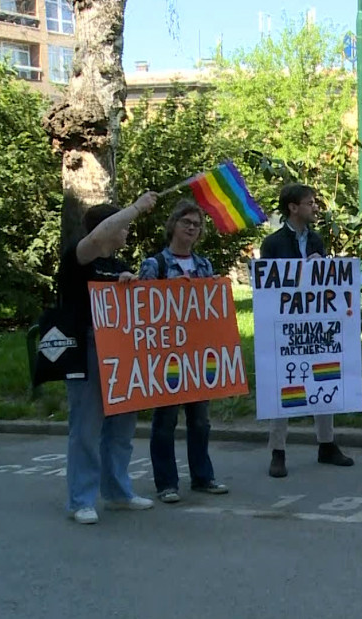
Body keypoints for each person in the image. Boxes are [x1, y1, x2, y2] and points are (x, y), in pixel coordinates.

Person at [59, 192, 160, 524]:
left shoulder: (116, 265)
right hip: (86, 347)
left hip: (121, 349)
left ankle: (117, 492)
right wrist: (136, 208)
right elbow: (98, 238)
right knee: (86, 427)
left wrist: (129, 284)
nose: (126, 232)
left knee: (122, 426)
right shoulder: (78, 256)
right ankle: (81, 501)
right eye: (123, 226)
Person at [137, 200, 229, 503]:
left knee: (200, 420)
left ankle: (203, 476)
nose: (192, 228)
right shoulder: (155, 265)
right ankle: (166, 483)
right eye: (186, 222)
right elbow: (142, 309)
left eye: (197, 224)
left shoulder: (204, 265)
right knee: (164, 420)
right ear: (173, 224)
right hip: (167, 354)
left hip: (198, 354)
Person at [260, 184, 354, 477]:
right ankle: (278, 451)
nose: (315, 208)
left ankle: (327, 444)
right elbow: (269, 286)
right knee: (282, 384)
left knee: (323, 379)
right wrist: (302, 269)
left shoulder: (316, 239)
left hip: (315, 323)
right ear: (293, 207)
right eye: (310, 203)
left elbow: (322, 284)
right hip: (284, 325)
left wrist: (320, 268)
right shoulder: (272, 243)